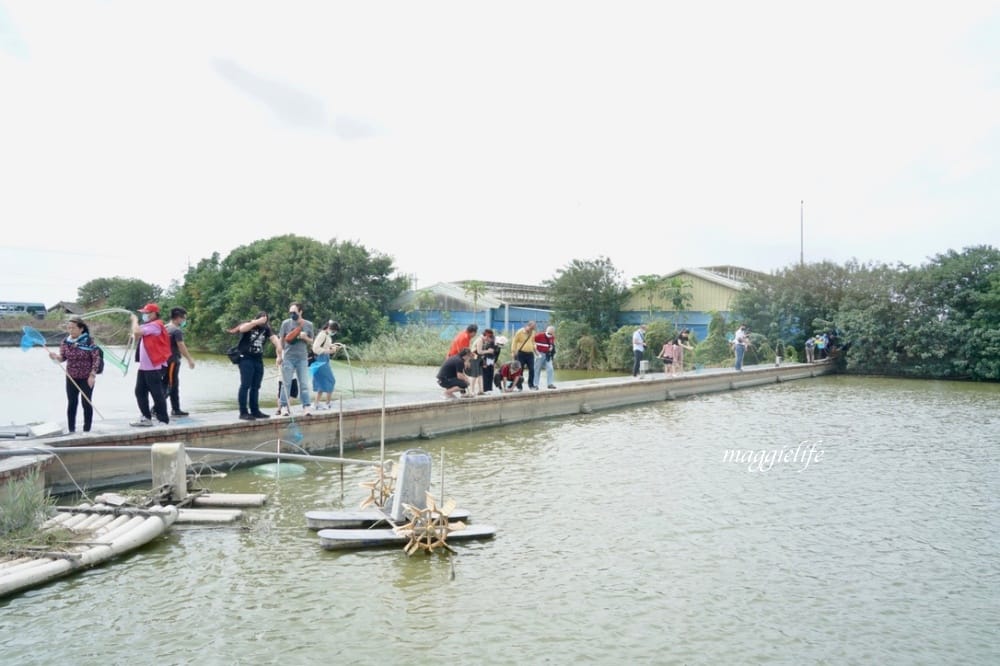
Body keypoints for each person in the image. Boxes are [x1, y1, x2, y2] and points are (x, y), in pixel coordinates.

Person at [48, 316, 101, 433]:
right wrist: (55, 357)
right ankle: (71, 429)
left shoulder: (89, 341)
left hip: (86, 377)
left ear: (81, 329)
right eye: (69, 328)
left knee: (86, 402)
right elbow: (63, 358)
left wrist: (92, 375)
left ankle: (87, 430)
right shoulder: (65, 342)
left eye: (73, 328)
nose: (70, 330)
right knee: (72, 402)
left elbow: (96, 359)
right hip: (71, 377)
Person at [228, 311, 282, 420]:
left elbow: (273, 338)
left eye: (265, 319)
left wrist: (279, 347)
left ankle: (255, 410)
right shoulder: (249, 324)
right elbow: (242, 329)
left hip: (258, 359)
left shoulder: (266, 329)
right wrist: (256, 322)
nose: (263, 321)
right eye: (262, 318)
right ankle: (243, 412)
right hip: (246, 358)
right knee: (245, 385)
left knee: (256, 386)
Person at [130, 303, 172, 426]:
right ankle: (146, 417)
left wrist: (134, 320)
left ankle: (163, 419)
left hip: (154, 367)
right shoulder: (148, 325)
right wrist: (135, 330)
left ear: (154, 314)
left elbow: (136, 330)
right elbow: (137, 334)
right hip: (145, 367)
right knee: (140, 392)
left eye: (146, 313)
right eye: (143, 313)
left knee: (156, 393)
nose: (144, 315)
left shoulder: (156, 325)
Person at [277, 302, 315, 416]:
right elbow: (280, 340)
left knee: (303, 384)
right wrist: (279, 356)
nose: (292, 314)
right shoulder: (286, 323)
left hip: (302, 358)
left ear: (300, 312)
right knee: (286, 383)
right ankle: (284, 407)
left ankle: (306, 406)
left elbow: (312, 341)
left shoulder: (308, 324)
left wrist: (305, 337)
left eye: (294, 312)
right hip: (288, 357)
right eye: (290, 312)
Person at [164, 307, 196, 417]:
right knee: (171, 385)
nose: (184, 321)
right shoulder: (176, 330)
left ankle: (175, 409)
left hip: (164, 361)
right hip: (172, 361)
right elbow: (181, 345)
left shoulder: (165, 328)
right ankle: (157, 408)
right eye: (184, 318)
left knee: (169, 384)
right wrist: (190, 359)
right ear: (178, 318)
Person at [311, 320, 343, 409]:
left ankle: (316, 403)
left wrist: (333, 346)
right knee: (331, 380)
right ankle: (327, 403)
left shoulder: (327, 335)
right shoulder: (322, 335)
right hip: (320, 360)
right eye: (334, 331)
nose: (334, 332)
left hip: (324, 359)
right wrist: (329, 351)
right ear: (329, 328)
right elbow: (315, 348)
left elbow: (326, 345)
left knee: (322, 381)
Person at [511, 321, 538, 389]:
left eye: (533, 328)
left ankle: (531, 385)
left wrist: (535, 346)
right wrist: (513, 352)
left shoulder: (533, 332)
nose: (532, 330)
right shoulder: (520, 332)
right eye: (531, 328)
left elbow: (533, 341)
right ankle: (519, 385)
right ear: (528, 326)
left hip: (530, 354)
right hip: (521, 353)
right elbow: (514, 341)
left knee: (532, 369)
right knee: (520, 369)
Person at [534, 325, 557, 389]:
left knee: (550, 368)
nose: (550, 334)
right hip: (539, 354)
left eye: (552, 333)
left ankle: (550, 384)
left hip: (547, 355)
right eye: (549, 333)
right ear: (547, 331)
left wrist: (551, 350)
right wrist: (536, 351)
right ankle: (535, 384)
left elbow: (551, 345)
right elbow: (532, 342)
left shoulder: (552, 337)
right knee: (537, 369)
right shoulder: (539, 335)